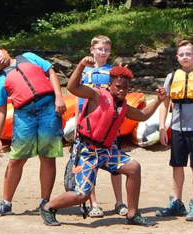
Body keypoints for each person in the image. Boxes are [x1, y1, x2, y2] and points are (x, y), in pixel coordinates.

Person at [40, 59, 164, 227]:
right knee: (81, 195)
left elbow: (142, 116)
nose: (122, 90)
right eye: (118, 87)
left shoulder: (123, 107)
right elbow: (72, 87)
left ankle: (133, 214)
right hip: (86, 151)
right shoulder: (96, 94)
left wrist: (158, 100)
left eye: (125, 88)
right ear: (110, 85)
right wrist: (82, 65)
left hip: (106, 151)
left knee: (133, 168)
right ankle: (48, 207)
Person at [0, 45, 66, 217]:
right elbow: (0, 110)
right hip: (24, 116)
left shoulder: (29, 57)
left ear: (4, 50)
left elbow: (50, 71)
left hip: (49, 110)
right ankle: (6, 203)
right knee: (16, 159)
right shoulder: (0, 82)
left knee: (47, 157)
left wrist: (59, 97)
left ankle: (45, 202)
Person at [156, 39, 193, 222]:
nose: (184, 57)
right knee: (177, 164)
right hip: (176, 128)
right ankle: (176, 202)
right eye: (181, 54)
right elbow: (164, 103)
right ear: (177, 57)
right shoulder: (172, 77)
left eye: (188, 54)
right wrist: (161, 127)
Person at [74, 35, 126, 218]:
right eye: (99, 49)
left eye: (106, 50)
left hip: (108, 124)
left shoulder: (113, 72)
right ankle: (93, 203)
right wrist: (75, 123)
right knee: (90, 163)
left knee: (116, 163)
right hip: (87, 124)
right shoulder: (84, 70)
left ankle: (120, 202)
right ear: (92, 50)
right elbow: (76, 97)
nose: (103, 53)